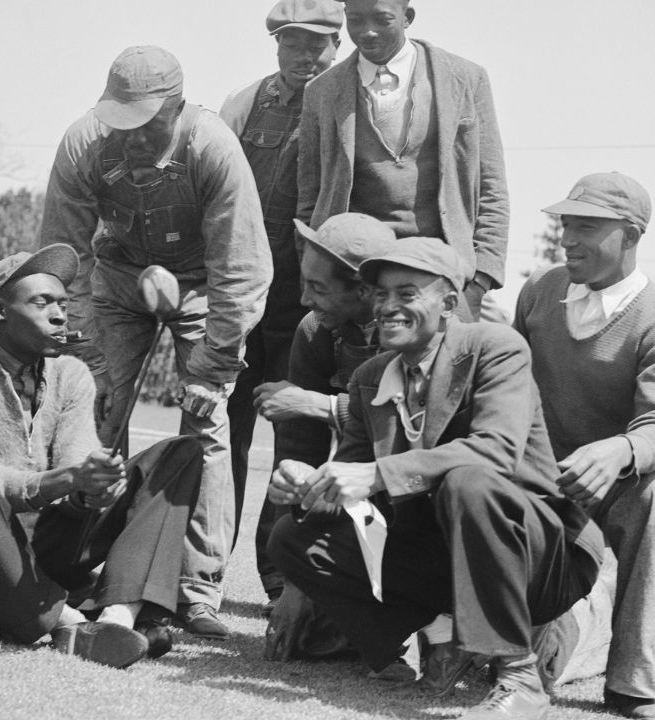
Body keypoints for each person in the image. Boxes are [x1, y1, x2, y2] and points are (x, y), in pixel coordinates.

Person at [267, 237, 603, 720]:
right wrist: (312, 488)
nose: (388, 307)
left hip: (541, 557)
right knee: (293, 537)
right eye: (380, 295)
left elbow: (497, 451)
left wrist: (379, 474)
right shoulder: (369, 377)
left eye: (407, 294)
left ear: (448, 305)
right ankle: (412, 650)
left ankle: (521, 675)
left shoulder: (496, 347)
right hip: (442, 556)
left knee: (470, 481)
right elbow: (359, 488)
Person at [38, 45, 271, 639]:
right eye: (122, 123)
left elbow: (240, 269)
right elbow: (62, 259)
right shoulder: (82, 143)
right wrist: (84, 352)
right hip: (114, 280)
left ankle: (197, 589)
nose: (133, 138)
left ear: (176, 105)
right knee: (93, 411)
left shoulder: (213, 146)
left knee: (206, 426)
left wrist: (213, 367)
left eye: (147, 124)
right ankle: (79, 563)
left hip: (200, 286)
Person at [0, 245, 204, 668]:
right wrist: (68, 480)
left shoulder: (71, 373)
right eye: (41, 302)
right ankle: (64, 621)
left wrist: (95, 488)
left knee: (181, 453)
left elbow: (78, 470)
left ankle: (117, 617)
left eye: (63, 304)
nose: (59, 314)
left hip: (49, 546)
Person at [515, 173, 655, 720]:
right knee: (533, 653)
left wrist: (619, 451)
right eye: (565, 224)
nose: (568, 238)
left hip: (611, 488)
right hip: (534, 481)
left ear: (632, 235)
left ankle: (631, 685)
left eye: (586, 226)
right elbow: (505, 385)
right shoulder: (539, 292)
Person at [218, 0, 343, 607]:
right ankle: (204, 577)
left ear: (338, 45)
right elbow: (214, 194)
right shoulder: (243, 105)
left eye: (320, 43)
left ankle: (280, 578)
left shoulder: (351, 105)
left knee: (296, 438)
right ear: (276, 44)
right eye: (295, 42)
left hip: (309, 304)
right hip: (243, 298)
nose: (307, 55)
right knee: (223, 435)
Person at [296, 0, 508, 320]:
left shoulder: (465, 78)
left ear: (407, 17)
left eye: (382, 20)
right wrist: (321, 279)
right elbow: (309, 198)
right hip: (357, 285)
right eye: (355, 20)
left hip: (445, 277)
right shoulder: (321, 92)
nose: (367, 31)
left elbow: (492, 187)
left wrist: (480, 280)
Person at [256, 213, 393, 642]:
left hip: (423, 506)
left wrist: (318, 404)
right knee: (317, 640)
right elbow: (297, 451)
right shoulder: (316, 331)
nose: (303, 299)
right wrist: (292, 581)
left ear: (364, 290)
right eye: (304, 283)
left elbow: (409, 431)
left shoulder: (423, 331)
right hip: (360, 502)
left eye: (318, 288)